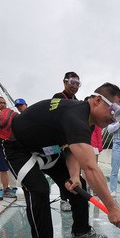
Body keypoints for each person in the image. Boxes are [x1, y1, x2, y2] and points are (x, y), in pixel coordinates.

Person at [3, 83, 120, 238]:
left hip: (47, 149)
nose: (114, 118)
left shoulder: (87, 121)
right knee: (39, 190)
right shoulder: (75, 116)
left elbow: (71, 151)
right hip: (19, 148)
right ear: (98, 100)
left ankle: (81, 230)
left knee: (79, 186)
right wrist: (112, 207)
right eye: (114, 111)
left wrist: (74, 176)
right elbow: (91, 167)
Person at [53, 72, 80, 211]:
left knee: (74, 172)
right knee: (63, 172)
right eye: (71, 83)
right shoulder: (58, 97)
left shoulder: (78, 101)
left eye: (77, 84)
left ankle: (74, 199)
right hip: (58, 143)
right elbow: (53, 118)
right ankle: (64, 200)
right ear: (64, 82)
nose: (74, 86)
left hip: (71, 143)